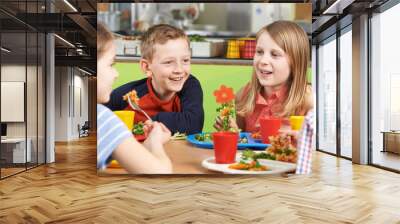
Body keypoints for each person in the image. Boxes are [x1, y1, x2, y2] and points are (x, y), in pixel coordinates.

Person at [97, 22, 172, 174]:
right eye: (111, 64)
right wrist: (156, 142)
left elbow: (124, 156)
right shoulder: (102, 118)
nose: (116, 74)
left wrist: (149, 143)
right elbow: (161, 173)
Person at [214, 20, 313, 133]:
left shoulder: (308, 100)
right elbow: (244, 144)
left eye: (275, 54)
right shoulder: (244, 96)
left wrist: (300, 137)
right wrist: (233, 134)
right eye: (259, 52)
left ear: (295, 62)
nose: (263, 61)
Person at [105, 24, 204, 135]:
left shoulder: (189, 85)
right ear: (147, 67)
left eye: (185, 60)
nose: (179, 69)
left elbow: (194, 124)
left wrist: (154, 120)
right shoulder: (128, 96)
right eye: (168, 62)